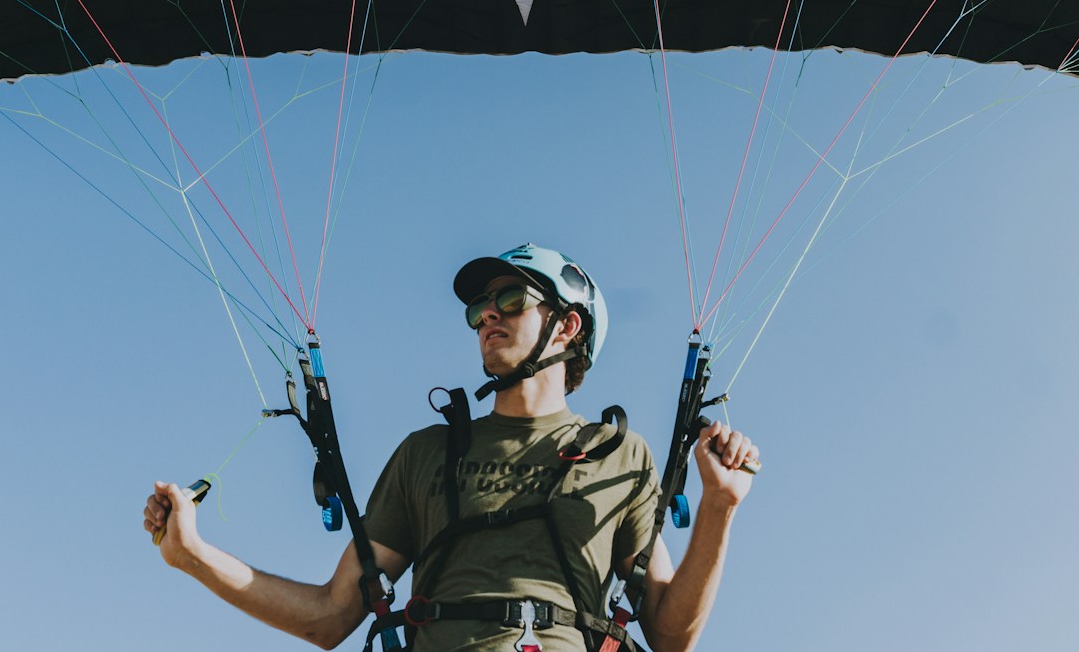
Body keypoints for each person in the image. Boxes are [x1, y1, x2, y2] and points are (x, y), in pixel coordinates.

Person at [144, 244, 760, 651]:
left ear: (567, 326)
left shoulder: (621, 456)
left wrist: (718, 507)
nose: (488, 316)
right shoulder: (425, 453)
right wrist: (193, 554)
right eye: (479, 308)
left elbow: (671, 633)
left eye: (511, 301)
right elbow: (332, 615)